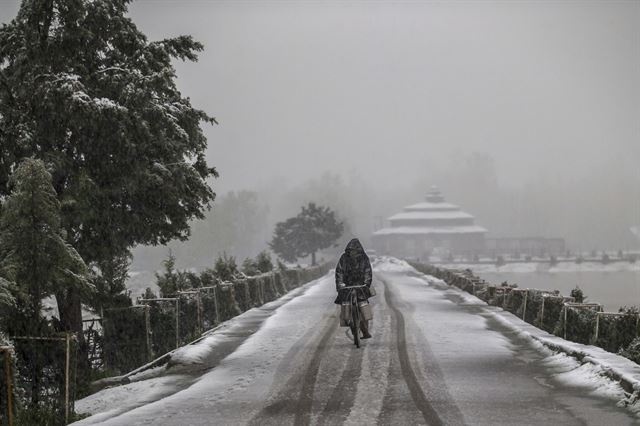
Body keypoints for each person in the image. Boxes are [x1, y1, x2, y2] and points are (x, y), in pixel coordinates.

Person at [334, 238, 373, 339]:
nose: (353, 252)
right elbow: (339, 272)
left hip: (361, 286)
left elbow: (367, 271)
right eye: (351, 250)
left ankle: (365, 331)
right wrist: (340, 284)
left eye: (355, 250)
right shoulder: (343, 258)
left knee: (363, 307)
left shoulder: (364, 258)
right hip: (347, 286)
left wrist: (366, 283)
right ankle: (352, 325)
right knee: (347, 307)